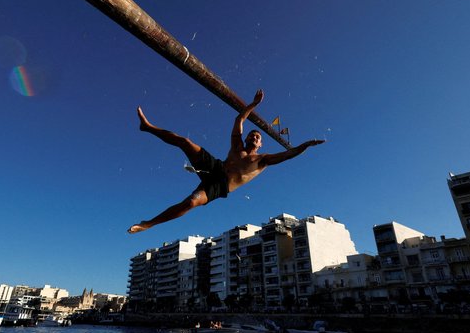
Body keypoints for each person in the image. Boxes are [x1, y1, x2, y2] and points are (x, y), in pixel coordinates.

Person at [128, 89, 325, 234]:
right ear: (246, 138)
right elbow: (239, 120)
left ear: (261, 143)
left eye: (257, 137)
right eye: (251, 135)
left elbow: (290, 154)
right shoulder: (237, 145)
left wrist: (306, 144)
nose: (254, 137)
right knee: (185, 142)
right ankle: (147, 127)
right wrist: (253, 105)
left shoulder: (263, 160)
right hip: (215, 166)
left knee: (190, 202)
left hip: (221, 185)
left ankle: (149, 223)